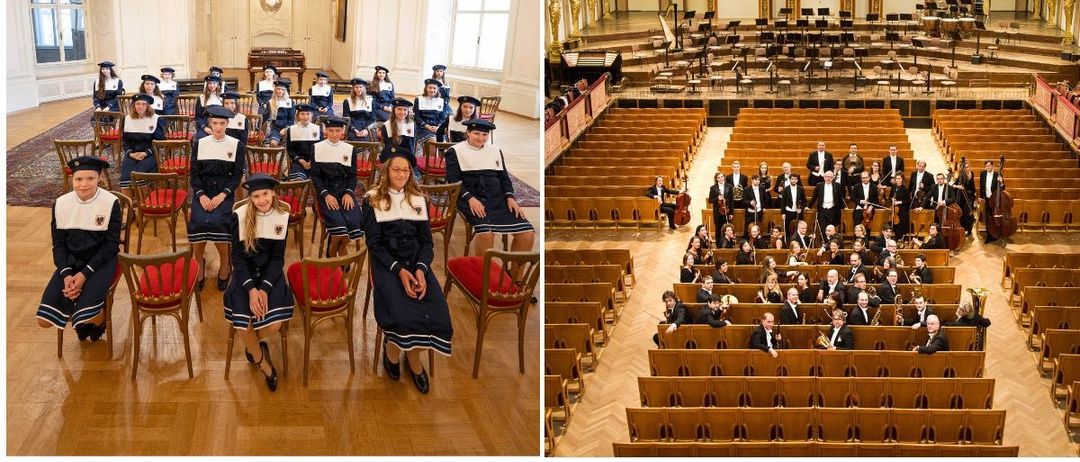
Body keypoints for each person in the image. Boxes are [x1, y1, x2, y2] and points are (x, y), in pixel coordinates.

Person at [363, 149, 453, 394]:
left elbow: (426, 242)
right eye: (396, 169)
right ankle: (392, 350)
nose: (401, 174)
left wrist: (421, 270)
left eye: (405, 170)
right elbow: (374, 244)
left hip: (416, 264)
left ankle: (413, 358)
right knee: (402, 315)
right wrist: (400, 271)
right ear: (386, 171)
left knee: (437, 317)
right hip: (387, 266)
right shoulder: (372, 199)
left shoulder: (418, 199)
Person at [35, 157, 120, 341]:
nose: (83, 185)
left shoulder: (111, 202)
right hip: (71, 262)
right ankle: (82, 318)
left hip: (101, 262)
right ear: (72, 179)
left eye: (90, 178)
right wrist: (66, 275)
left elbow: (111, 245)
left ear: (99, 178)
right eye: (78, 179)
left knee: (87, 314)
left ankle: (98, 320)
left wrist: (83, 276)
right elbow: (58, 245)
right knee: (43, 320)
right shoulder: (61, 203)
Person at [225, 174, 295, 392]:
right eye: (256, 196)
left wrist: (264, 288)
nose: (262, 200)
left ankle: (252, 345)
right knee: (243, 324)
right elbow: (237, 258)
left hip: (269, 276)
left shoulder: (282, 216)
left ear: (273, 193)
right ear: (251, 198)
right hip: (244, 276)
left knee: (273, 324)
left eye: (265, 194)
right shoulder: (240, 217)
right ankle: (264, 363)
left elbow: (277, 259)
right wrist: (251, 290)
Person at [445, 119, 535, 255]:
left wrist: (510, 197)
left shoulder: (495, 151)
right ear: (468, 133)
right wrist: (470, 199)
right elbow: (453, 181)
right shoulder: (454, 151)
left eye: (484, 135)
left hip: (497, 199)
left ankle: (516, 275)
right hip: (469, 198)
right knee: (486, 234)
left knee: (527, 233)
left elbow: (504, 177)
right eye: (476, 133)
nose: (481, 138)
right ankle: (484, 273)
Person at [189, 106, 246, 290]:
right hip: (203, 193)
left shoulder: (236, 145)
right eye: (215, 123)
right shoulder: (200, 143)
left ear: (228, 124)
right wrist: (201, 195)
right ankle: (198, 261)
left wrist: (223, 195)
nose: (218, 127)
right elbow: (194, 175)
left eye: (222, 123)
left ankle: (225, 263)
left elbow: (236, 176)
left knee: (220, 222)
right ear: (209, 124)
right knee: (198, 221)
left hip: (224, 193)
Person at [311, 117, 365, 257]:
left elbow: (352, 176)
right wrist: (325, 195)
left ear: (343, 132)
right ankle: (335, 248)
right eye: (331, 130)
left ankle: (337, 246)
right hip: (326, 191)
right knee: (339, 222)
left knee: (354, 221)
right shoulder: (317, 148)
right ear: (325, 132)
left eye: (337, 131)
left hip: (344, 190)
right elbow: (315, 176)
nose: (334, 134)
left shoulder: (349, 149)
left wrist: (348, 193)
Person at [119, 94, 166, 193]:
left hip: (151, 154)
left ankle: (144, 203)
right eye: (137, 104)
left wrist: (146, 153)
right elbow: (125, 141)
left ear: (148, 106)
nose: (140, 107)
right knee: (125, 177)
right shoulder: (127, 119)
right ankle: (129, 205)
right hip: (132, 153)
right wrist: (130, 153)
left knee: (140, 173)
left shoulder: (156, 119)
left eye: (143, 104)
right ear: (133, 105)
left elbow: (159, 142)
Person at [282, 103, 323, 180]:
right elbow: (290, 150)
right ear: (298, 116)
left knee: (319, 179)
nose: (305, 117)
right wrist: (300, 160)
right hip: (299, 161)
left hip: (314, 160)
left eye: (308, 114)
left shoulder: (317, 129)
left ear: (312, 115)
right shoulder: (292, 129)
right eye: (302, 114)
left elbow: (320, 148)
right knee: (298, 179)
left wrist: (312, 161)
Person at [414, 79, 451, 146]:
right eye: (430, 87)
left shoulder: (441, 101)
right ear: (426, 88)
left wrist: (438, 127)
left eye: (434, 88)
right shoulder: (419, 100)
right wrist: (427, 126)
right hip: (423, 127)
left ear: (437, 89)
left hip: (438, 128)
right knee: (432, 143)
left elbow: (443, 118)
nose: (432, 90)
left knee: (443, 145)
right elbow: (417, 117)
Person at [379, 98, 416, 163]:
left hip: (407, 157)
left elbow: (412, 146)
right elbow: (388, 147)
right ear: (394, 110)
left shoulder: (412, 125)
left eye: (405, 109)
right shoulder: (386, 126)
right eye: (399, 109)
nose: (402, 112)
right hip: (391, 156)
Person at [979, 160, 1006, 243]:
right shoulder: (983, 174)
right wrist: (981, 196)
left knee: (995, 218)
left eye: (989, 166)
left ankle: (995, 234)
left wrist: (1001, 182)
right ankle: (989, 236)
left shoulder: (998, 174)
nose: (988, 167)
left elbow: (1003, 187)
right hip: (987, 199)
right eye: (986, 166)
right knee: (988, 218)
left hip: (995, 200)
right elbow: (981, 186)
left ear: (992, 166)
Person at [263, 80, 296, 147]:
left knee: (290, 145)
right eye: (278, 89)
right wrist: (260, 128)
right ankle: (273, 156)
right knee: (273, 143)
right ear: (275, 90)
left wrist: (285, 129)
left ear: (285, 91)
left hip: (287, 127)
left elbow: (291, 119)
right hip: (275, 128)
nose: (280, 91)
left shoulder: (290, 102)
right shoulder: (271, 102)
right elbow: (265, 116)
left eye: (282, 89)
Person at [707, 172, 733, 242]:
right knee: (718, 228)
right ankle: (718, 243)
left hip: (726, 211)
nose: (720, 178)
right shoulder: (713, 188)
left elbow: (731, 201)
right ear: (716, 179)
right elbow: (710, 200)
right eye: (718, 177)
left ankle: (727, 242)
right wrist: (717, 198)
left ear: (724, 177)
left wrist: (731, 213)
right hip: (717, 211)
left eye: (722, 177)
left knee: (727, 227)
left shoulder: (729, 186)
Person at [888, 173, 911, 238]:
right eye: (896, 179)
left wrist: (899, 202)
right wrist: (892, 199)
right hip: (894, 210)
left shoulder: (905, 189)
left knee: (900, 227)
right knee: (893, 225)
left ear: (902, 179)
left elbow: (908, 201)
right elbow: (890, 196)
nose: (897, 180)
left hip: (902, 211)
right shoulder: (893, 187)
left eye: (899, 179)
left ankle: (900, 239)